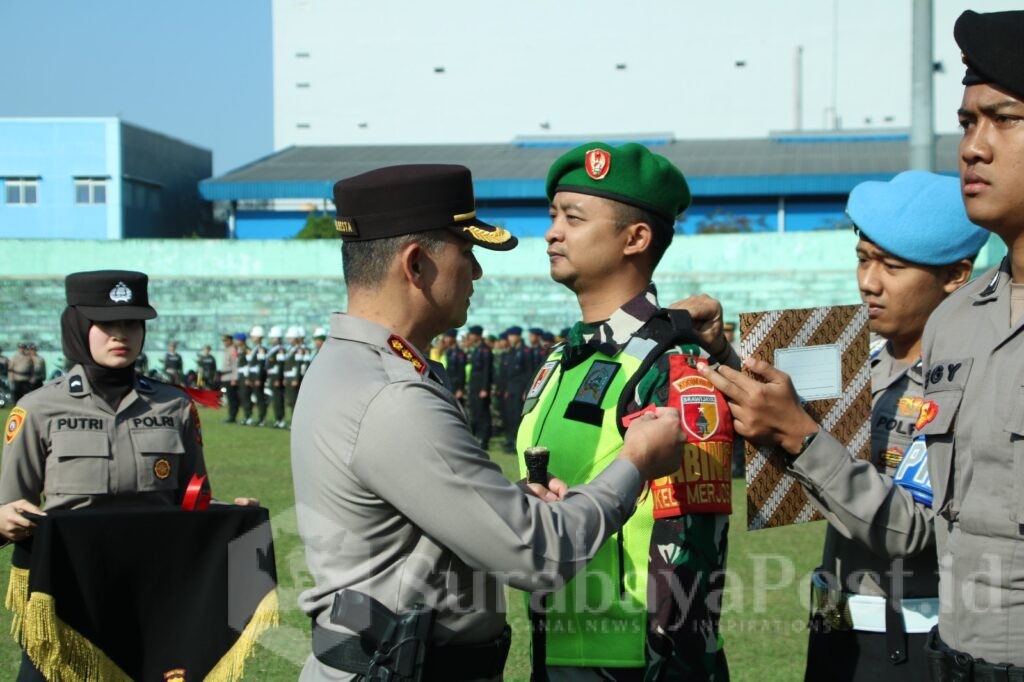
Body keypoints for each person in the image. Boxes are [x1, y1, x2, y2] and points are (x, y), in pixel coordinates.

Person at [291, 164, 688, 682]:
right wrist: (636, 461)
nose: (476, 272)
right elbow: (537, 557)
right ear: (416, 264)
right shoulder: (391, 395)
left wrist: (505, 503)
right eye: (466, 251)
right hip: (402, 668)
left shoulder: (351, 365)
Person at [699, 172, 988, 681]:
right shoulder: (866, 364)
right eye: (862, 258)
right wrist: (721, 353)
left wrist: (801, 437)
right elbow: (792, 423)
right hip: (835, 624)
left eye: (892, 266)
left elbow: (913, 530)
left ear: (957, 274)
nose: (868, 282)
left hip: (911, 641)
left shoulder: (966, 377)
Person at [518, 142, 738, 680]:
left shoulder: (670, 365)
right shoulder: (559, 358)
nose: (552, 233)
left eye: (573, 218)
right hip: (559, 652)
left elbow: (691, 548)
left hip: (636, 662)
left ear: (635, 238)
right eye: (552, 216)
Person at [0, 270, 258, 679]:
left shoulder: (174, 407)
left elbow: (192, 502)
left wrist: (232, 516)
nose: (121, 335)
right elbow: (9, 505)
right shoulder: (37, 409)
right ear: (78, 327)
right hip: (70, 597)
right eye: (107, 324)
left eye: (132, 323)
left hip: (153, 598)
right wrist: (4, 520)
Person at [908, 10, 1024, 676]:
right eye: (966, 123)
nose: (972, 148)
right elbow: (923, 522)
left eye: (1003, 118)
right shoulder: (953, 322)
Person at [465, 324, 494, 450]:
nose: (469, 337)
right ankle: (478, 437)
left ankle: (484, 440)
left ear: (476, 335)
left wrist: (484, 388)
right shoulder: (476, 349)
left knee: (483, 413)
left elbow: (487, 371)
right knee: (476, 411)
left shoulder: (485, 350)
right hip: (474, 386)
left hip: (481, 388)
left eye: (471, 334)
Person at [219, 332, 242, 424]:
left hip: (230, 377)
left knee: (232, 398)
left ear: (229, 341)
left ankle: (232, 416)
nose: (224, 342)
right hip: (226, 376)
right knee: (229, 397)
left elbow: (235, 364)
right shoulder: (227, 349)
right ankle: (231, 415)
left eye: (225, 340)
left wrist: (234, 378)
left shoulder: (233, 350)